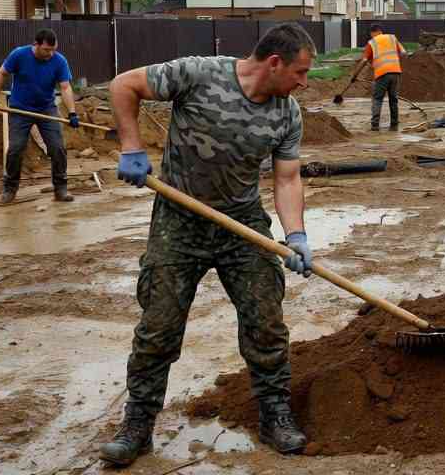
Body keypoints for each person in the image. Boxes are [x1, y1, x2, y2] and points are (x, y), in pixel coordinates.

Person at [99, 23, 316, 466]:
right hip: (179, 222)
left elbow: (287, 178)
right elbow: (124, 85)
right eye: (300, 72)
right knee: (158, 328)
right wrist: (131, 147)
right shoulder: (199, 74)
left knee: (266, 323)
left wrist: (295, 235)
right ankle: (137, 425)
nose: (304, 82)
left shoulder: (287, 113)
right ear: (275, 63)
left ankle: (275, 415)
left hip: (241, 225)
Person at [0, 28, 80, 204]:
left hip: (46, 109)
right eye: (46, 50)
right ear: (36, 44)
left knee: (58, 147)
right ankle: (10, 189)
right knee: (16, 148)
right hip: (20, 109)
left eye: (53, 50)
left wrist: (72, 112)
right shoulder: (19, 55)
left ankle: (60, 189)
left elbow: (65, 87)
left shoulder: (59, 61)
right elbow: (2, 73)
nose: (50, 54)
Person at [346, 23, 406, 131]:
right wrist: (395, 63)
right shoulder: (392, 38)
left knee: (377, 99)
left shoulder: (372, 43)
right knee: (393, 99)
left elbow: (364, 61)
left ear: (372, 32)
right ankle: (394, 125)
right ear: (380, 31)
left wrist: (355, 75)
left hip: (382, 74)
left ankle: (375, 125)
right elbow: (403, 53)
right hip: (395, 72)